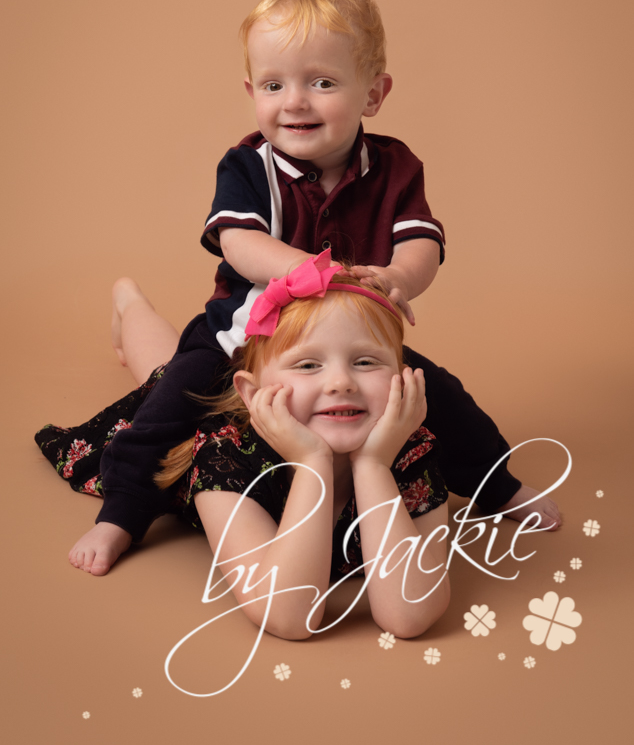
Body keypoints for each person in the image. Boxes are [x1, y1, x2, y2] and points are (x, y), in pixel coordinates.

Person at [60, 0, 560, 577]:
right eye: (274, 85)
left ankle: (497, 487)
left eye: (322, 83)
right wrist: (312, 271)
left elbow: (422, 238)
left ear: (373, 94)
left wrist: (400, 277)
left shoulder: (396, 167)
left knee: (442, 396)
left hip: (345, 344)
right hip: (244, 335)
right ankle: (121, 510)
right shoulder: (248, 165)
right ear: (252, 91)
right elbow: (240, 242)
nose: (294, 101)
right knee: (167, 400)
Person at [37, 255, 450, 639]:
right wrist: (312, 463)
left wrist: (374, 465)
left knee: (163, 370)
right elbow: (289, 615)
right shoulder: (224, 454)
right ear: (253, 394)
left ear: (405, 377)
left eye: (366, 362)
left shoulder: (411, 451)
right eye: (308, 364)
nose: (341, 382)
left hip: (325, 429)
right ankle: (130, 302)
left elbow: (409, 614)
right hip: (201, 430)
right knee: (163, 378)